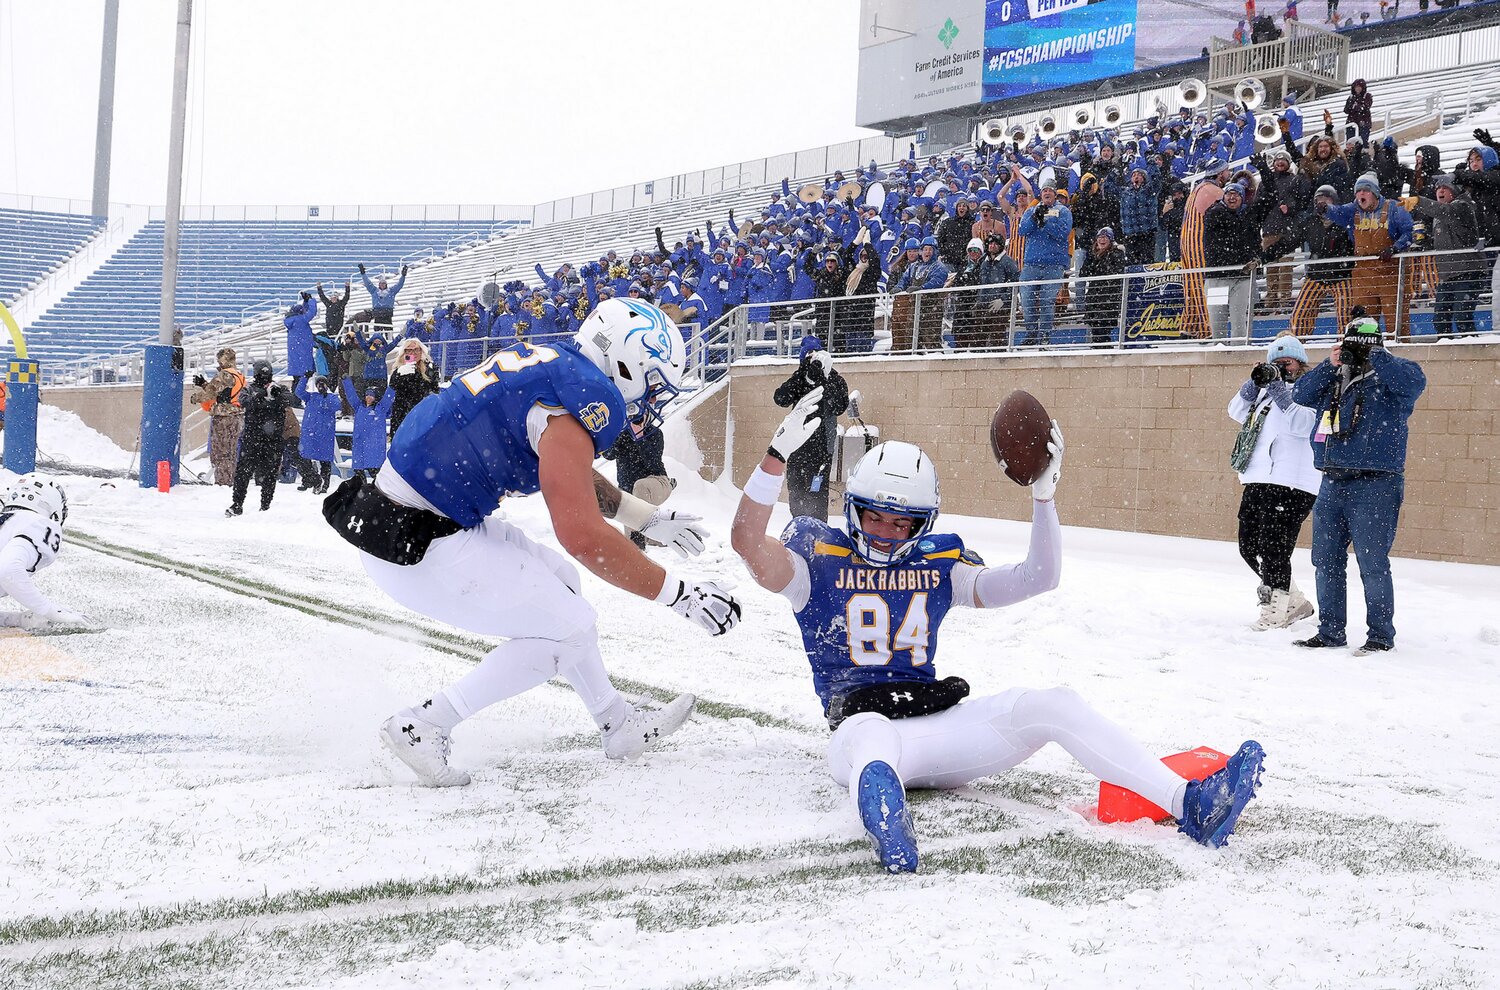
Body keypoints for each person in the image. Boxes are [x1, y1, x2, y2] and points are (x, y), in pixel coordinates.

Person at [728, 407, 1265, 872]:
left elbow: (1038, 577)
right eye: (875, 517)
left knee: (1053, 704)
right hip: (858, 728)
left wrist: (1044, 497)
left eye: (902, 523)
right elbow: (747, 543)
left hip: (936, 727)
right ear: (854, 508)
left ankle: (1190, 803)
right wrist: (774, 459)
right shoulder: (814, 561)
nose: (887, 531)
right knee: (872, 742)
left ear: (925, 522)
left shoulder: (940, 564)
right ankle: (889, 830)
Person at [331, 298, 739, 787]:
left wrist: (645, 518)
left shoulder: (554, 370)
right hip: (416, 541)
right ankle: (423, 724)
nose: (650, 399)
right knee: (567, 630)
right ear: (626, 364)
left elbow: (570, 473)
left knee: (564, 591)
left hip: (418, 517)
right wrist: (679, 594)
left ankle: (617, 722)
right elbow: (582, 536)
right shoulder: (571, 404)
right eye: (652, 382)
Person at [1291, 318, 1427, 655]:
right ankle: (1330, 632)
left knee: (1372, 562)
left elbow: (1411, 386)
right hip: (1333, 480)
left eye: (1362, 343)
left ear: (1378, 343)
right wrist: (1329, 364)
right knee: (1325, 560)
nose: (1357, 349)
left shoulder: (1398, 372)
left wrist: (1377, 355)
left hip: (1376, 483)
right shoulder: (1336, 376)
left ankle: (1380, 637)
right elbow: (1300, 394)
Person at [1228, 333, 1321, 630]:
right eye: (1275, 363)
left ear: (1300, 363)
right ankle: (1293, 600)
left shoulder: (1311, 388)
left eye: (1288, 362)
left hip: (1294, 480)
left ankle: (1275, 608)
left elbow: (1303, 426)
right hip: (1258, 477)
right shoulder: (1265, 391)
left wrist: (1283, 393)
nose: (1282, 368)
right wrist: (1254, 383)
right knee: (1249, 546)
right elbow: (1235, 412)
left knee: (1274, 547)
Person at [0, 475, 101, 632]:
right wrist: (50, 611)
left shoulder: (11, 522)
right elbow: (8, 570)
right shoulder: (38, 524)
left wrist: (16, 619)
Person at [1323, 174, 1414, 336]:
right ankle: (1367, 353)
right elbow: (1337, 212)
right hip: (1363, 274)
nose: (1361, 195)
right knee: (1364, 323)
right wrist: (1325, 209)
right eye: (1358, 191)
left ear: (1375, 193)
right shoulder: (1353, 210)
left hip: (1390, 272)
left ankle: (1400, 352)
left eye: (1366, 190)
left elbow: (1409, 232)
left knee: (1396, 321)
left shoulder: (1394, 207)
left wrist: (1394, 248)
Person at [772, 337, 850, 521]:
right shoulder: (800, 378)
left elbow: (839, 406)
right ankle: (798, 527)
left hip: (821, 449)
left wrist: (824, 379)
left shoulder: (835, 379)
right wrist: (802, 375)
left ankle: (817, 532)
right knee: (796, 491)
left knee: (817, 494)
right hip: (797, 446)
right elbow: (781, 399)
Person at [1415, 176, 1485, 337]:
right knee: (1440, 319)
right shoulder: (1438, 215)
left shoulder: (1462, 206)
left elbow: (1445, 212)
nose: (1440, 190)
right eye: (1438, 188)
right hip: (1448, 275)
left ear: (1453, 190)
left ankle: (1472, 353)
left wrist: (1418, 201)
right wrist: (1424, 242)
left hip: (1469, 272)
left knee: (1462, 316)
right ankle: (1447, 352)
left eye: (1444, 187)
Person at [227, 359, 294, 517]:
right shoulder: (249, 389)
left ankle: (265, 506)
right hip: (252, 439)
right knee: (243, 473)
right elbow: (243, 401)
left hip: (272, 441)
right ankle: (237, 504)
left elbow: (292, 399)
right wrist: (262, 395)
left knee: (270, 475)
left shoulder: (278, 388)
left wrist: (276, 395)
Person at [1287, 186, 1356, 337]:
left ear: (1334, 202)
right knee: (1299, 315)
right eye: (1319, 200)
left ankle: (1345, 348)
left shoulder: (1344, 221)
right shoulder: (1310, 222)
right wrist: (1265, 256)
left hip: (1341, 276)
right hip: (1316, 275)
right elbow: (1288, 242)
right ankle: (1297, 346)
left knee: (1345, 316)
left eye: (1326, 199)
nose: (1322, 203)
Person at [1017, 179, 1073, 346]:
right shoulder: (1031, 210)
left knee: (1047, 301)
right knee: (1027, 300)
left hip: (1053, 264)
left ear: (1055, 194)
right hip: (1031, 264)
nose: (1047, 193)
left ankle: (1045, 335)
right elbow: (1022, 230)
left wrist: (1045, 222)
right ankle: (1031, 333)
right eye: (1044, 190)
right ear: (1040, 194)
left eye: (1050, 190)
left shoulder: (1063, 211)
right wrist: (1035, 217)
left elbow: (1063, 233)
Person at [601, 416, 671, 549]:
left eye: (639, 417)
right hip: (629, 492)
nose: (635, 420)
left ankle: (641, 534)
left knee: (640, 487)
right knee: (633, 545)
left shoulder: (654, 433)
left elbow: (653, 463)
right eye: (631, 418)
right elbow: (608, 455)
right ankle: (651, 536)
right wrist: (620, 434)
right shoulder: (622, 435)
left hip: (656, 482)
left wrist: (639, 437)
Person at [188, 347, 246, 486]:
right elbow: (224, 391)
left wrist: (195, 398)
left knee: (220, 450)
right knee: (231, 450)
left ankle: (223, 482)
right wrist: (204, 384)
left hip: (224, 416)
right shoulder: (239, 374)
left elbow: (211, 394)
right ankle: (230, 478)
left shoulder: (224, 374)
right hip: (237, 415)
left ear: (222, 359)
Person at [340, 378, 395, 482]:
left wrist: (393, 382)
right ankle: (363, 489)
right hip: (359, 444)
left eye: (371, 395)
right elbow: (351, 395)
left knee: (375, 471)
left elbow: (389, 396)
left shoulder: (381, 408)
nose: (369, 397)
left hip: (374, 445)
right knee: (358, 470)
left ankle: (379, 491)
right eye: (367, 395)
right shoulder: (358, 407)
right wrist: (346, 381)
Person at [294, 373, 340, 494]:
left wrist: (327, 396)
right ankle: (309, 480)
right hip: (310, 433)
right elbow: (298, 392)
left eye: (323, 383)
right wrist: (305, 378)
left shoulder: (332, 398)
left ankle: (325, 484)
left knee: (325, 461)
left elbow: (337, 406)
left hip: (325, 434)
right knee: (304, 457)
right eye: (318, 384)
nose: (320, 386)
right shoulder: (311, 397)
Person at [1080, 227, 1127, 345]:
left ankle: (1104, 352)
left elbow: (1114, 272)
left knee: (1103, 331)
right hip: (1094, 299)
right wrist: (1093, 258)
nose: (1102, 240)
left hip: (1108, 299)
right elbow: (1083, 273)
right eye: (1100, 237)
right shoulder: (1092, 255)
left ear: (1110, 240)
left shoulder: (1117, 253)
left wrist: (1099, 260)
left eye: (1105, 237)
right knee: (1096, 331)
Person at [387, 337, 440, 438]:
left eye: (416, 349)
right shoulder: (399, 370)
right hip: (402, 415)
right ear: (404, 352)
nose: (413, 353)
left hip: (423, 414)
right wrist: (400, 375)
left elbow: (435, 391)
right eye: (409, 350)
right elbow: (392, 391)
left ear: (421, 351)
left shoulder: (430, 368)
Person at [359, 263, 408, 333]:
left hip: (387, 314)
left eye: (384, 283)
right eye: (381, 283)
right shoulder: (374, 291)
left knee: (389, 332)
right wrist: (363, 273)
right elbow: (367, 283)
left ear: (386, 284)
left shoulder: (391, 291)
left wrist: (403, 276)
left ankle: (389, 342)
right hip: (377, 314)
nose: (382, 285)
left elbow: (399, 285)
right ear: (379, 284)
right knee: (377, 333)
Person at [283, 292, 319, 379]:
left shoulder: (292, 320)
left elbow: (304, 311)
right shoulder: (301, 320)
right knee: (301, 381)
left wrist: (305, 302)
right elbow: (311, 312)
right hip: (303, 354)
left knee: (296, 380)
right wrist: (310, 300)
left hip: (295, 359)